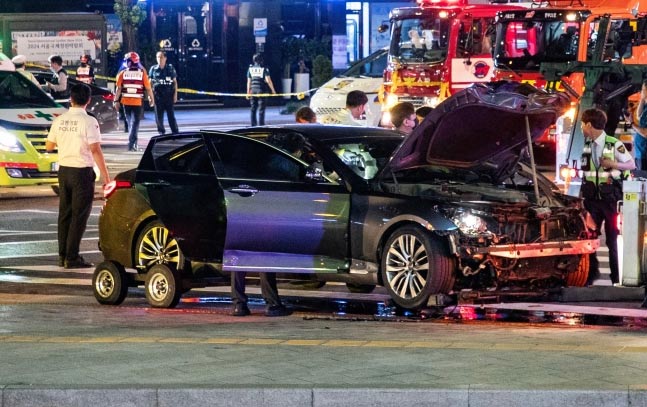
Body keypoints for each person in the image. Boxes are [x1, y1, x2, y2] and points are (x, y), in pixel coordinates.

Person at [45, 83, 110, 269]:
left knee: (64, 214)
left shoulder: (60, 120)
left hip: (64, 170)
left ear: (70, 99)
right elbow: (95, 149)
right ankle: (72, 257)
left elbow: (49, 146)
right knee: (79, 215)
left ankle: (63, 254)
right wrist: (106, 177)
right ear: (88, 100)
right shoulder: (89, 121)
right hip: (81, 171)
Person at [579, 108, 635, 286]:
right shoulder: (587, 144)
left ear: (589, 125)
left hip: (610, 201)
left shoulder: (613, 143)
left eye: (582, 124)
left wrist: (612, 163)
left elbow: (631, 164)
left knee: (612, 239)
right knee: (588, 239)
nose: (581, 128)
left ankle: (616, 279)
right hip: (592, 201)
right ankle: (590, 275)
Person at [115, 52, 155, 152]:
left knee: (130, 124)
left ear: (130, 62)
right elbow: (148, 88)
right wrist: (151, 99)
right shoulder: (142, 73)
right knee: (134, 124)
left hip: (126, 103)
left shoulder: (122, 73)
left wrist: (116, 101)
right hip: (137, 103)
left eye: (127, 61)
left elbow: (118, 89)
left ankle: (133, 144)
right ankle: (132, 144)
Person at [148, 51, 179, 135]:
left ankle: (175, 132)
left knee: (171, 116)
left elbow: (175, 82)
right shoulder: (153, 69)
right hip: (157, 96)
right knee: (158, 117)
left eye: (161, 57)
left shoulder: (170, 68)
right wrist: (150, 96)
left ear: (165, 58)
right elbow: (149, 83)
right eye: (158, 57)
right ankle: (161, 132)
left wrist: (175, 94)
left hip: (168, 96)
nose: (159, 59)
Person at [247, 53, 276, 126]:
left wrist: (248, 92)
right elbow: (268, 81)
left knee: (253, 109)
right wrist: (273, 91)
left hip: (253, 90)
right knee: (261, 109)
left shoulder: (250, 69)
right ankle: (261, 125)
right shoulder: (264, 69)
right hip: (261, 90)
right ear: (261, 60)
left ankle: (253, 125)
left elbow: (249, 82)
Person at [627, 81, 647, 171]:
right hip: (640, 154)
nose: (640, 92)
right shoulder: (645, 107)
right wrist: (642, 99)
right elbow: (639, 116)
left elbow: (645, 133)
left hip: (644, 154)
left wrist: (632, 124)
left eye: (643, 90)